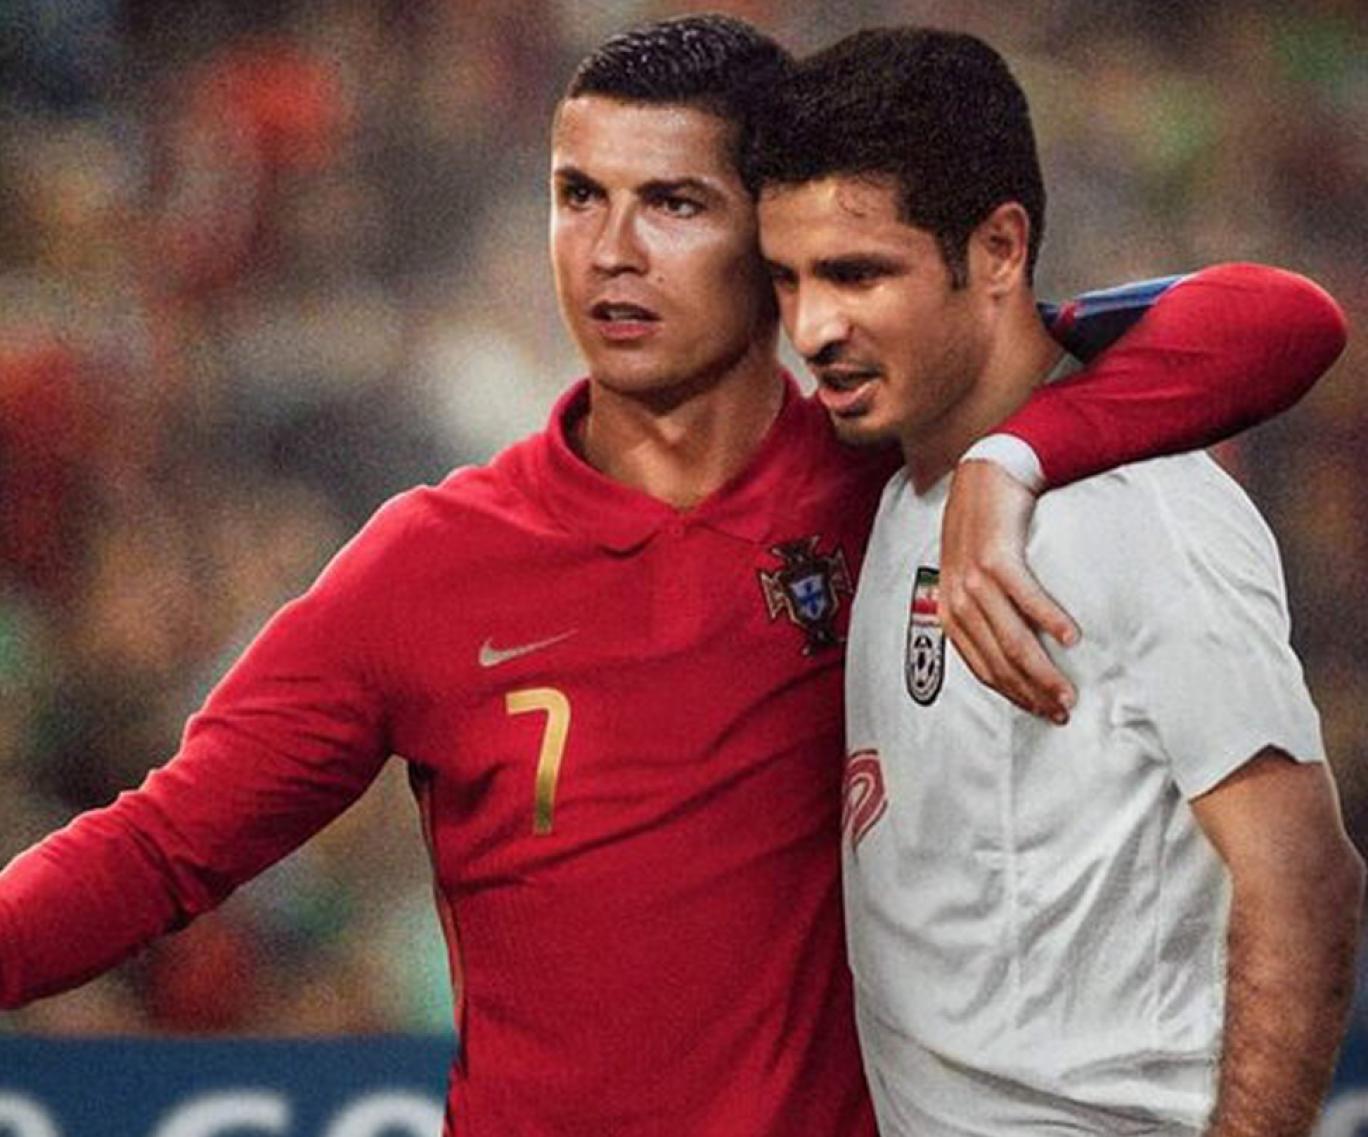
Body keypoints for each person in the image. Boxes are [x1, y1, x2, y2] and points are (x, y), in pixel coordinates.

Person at [0, 14, 1350, 1137]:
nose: (611, 250)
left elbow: (1275, 321)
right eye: (578, 195)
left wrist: (1015, 452)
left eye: (674, 204)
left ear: (772, 239)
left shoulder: (892, 471)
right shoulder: (433, 562)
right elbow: (161, 848)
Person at [749, 26, 1362, 1137]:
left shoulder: (1140, 511)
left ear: (997, 249)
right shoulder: (888, 479)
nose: (811, 327)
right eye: (786, 279)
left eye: (857, 273)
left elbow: (1305, 882)